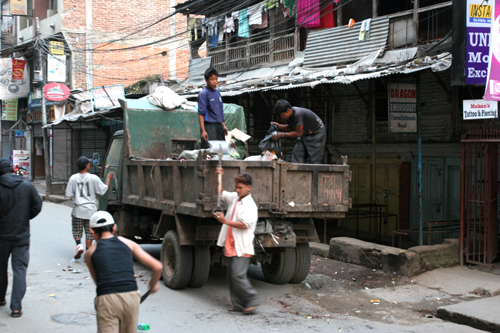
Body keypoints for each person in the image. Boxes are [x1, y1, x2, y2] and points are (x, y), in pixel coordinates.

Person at [84, 211, 162, 333]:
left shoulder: (90, 253)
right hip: (131, 297)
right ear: (114, 228)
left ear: (92, 231)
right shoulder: (128, 243)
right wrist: (152, 285)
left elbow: (98, 282)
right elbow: (157, 267)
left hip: (106, 298)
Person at [0, 157, 42, 317]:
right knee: (20, 270)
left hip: (2, 237)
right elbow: (37, 206)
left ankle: (1, 298)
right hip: (21, 236)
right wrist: (24, 217)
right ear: (13, 169)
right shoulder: (27, 186)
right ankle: (16, 307)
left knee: (1, 269)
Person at [214, 168, 259, 315]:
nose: (238, 190)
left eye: (240, 187)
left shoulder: (250, 205)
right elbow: (221, 193)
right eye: (237, 187)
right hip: (231, 244)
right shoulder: (235, 198)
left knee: (238, 275)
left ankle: (251, 299)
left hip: (242, 245)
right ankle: (238, 304)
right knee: (232, 276)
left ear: (248, 187)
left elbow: (244, 224)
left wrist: (225, 220)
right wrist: (219, 176)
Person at [65, 156, 114, 259]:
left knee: (77, 230)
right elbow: (104, 190)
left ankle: (79, 245)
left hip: (78, 209)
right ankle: (88, 250)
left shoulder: (73, 178)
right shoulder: (93, 178)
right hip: (90, 211)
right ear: (87, 166)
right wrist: (108, 178)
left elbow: (68, 194)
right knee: (89, 232)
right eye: (89, 164)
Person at [271, 99, 326, 164]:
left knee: (314, 160)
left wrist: (282, 135)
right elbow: (293, 127)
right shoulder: (291, 115)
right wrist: (279, 126)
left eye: (283, 115)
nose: (282, 117)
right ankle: (297, 173)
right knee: (297, 155)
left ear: (288, 110)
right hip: (305, 133)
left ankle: (315, 174)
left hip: (317, 134)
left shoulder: (297, 114)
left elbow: (298, 133)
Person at [198, 67, 228, 149]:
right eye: (212, 79)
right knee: (210, 151)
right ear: (206, 80)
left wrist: (223, 125)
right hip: (209, 127)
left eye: (216, 79)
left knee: (221, 151)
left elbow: (218, 111)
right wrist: (203, 131)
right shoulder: (203, 93)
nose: (215, 81)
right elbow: (201, 113)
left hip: (219, 126)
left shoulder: (217, 92)